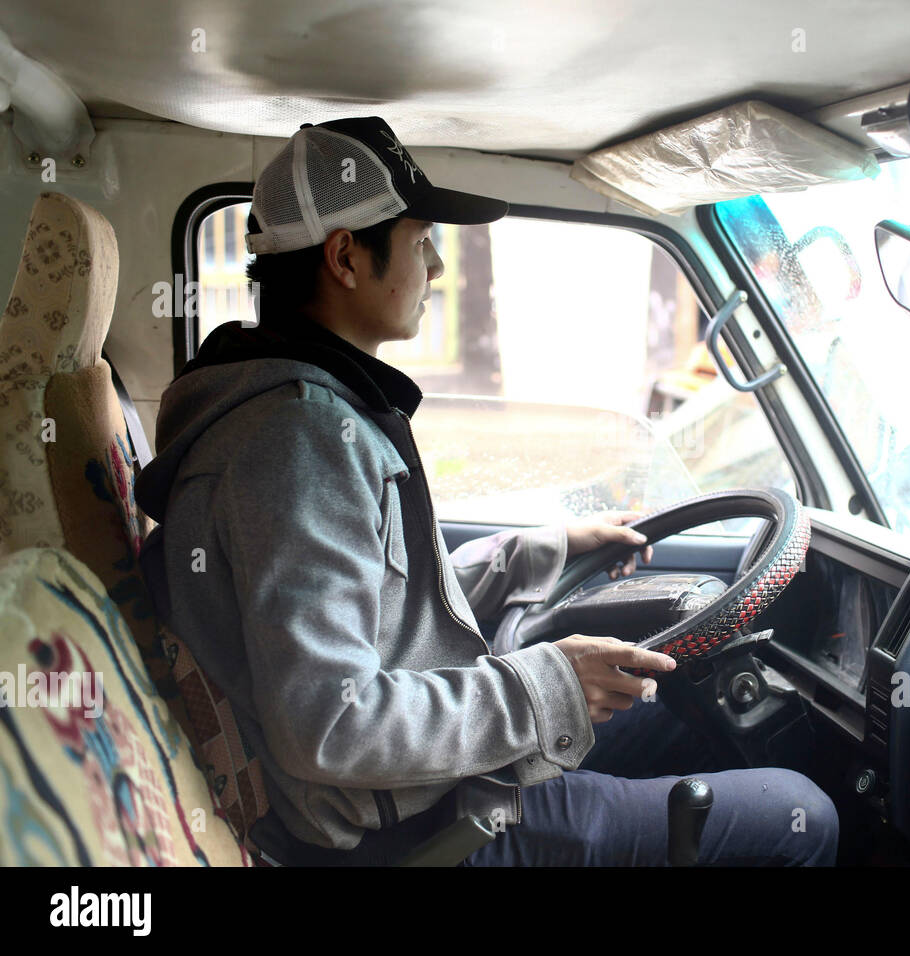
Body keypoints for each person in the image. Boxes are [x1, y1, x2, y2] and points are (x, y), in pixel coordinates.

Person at [135, 116, 838, 866]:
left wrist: (537, 554)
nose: (435, 267)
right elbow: (331, 725)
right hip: (415, 831)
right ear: (345, 256)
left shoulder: (309, 408)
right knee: (804, 813)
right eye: (418, 241)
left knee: (691, 715)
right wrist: (548, 683)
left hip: (420, 784)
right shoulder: (295, 441)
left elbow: (379, 606)